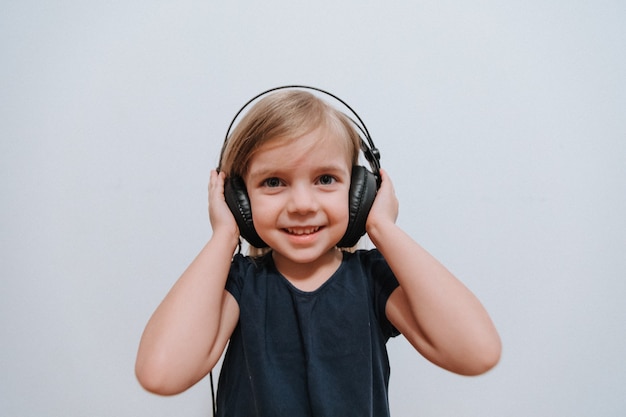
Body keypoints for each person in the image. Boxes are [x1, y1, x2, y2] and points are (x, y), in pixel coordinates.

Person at [135, 88, 501, 416]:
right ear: (238, 199)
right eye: (273, 182)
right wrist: (223, 235)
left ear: (361, 192)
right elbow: (161, 373)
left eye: (326, 179)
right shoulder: (241, 284)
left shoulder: (372, 280)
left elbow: (477, 352)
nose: (302, 204)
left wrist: (382, 227)